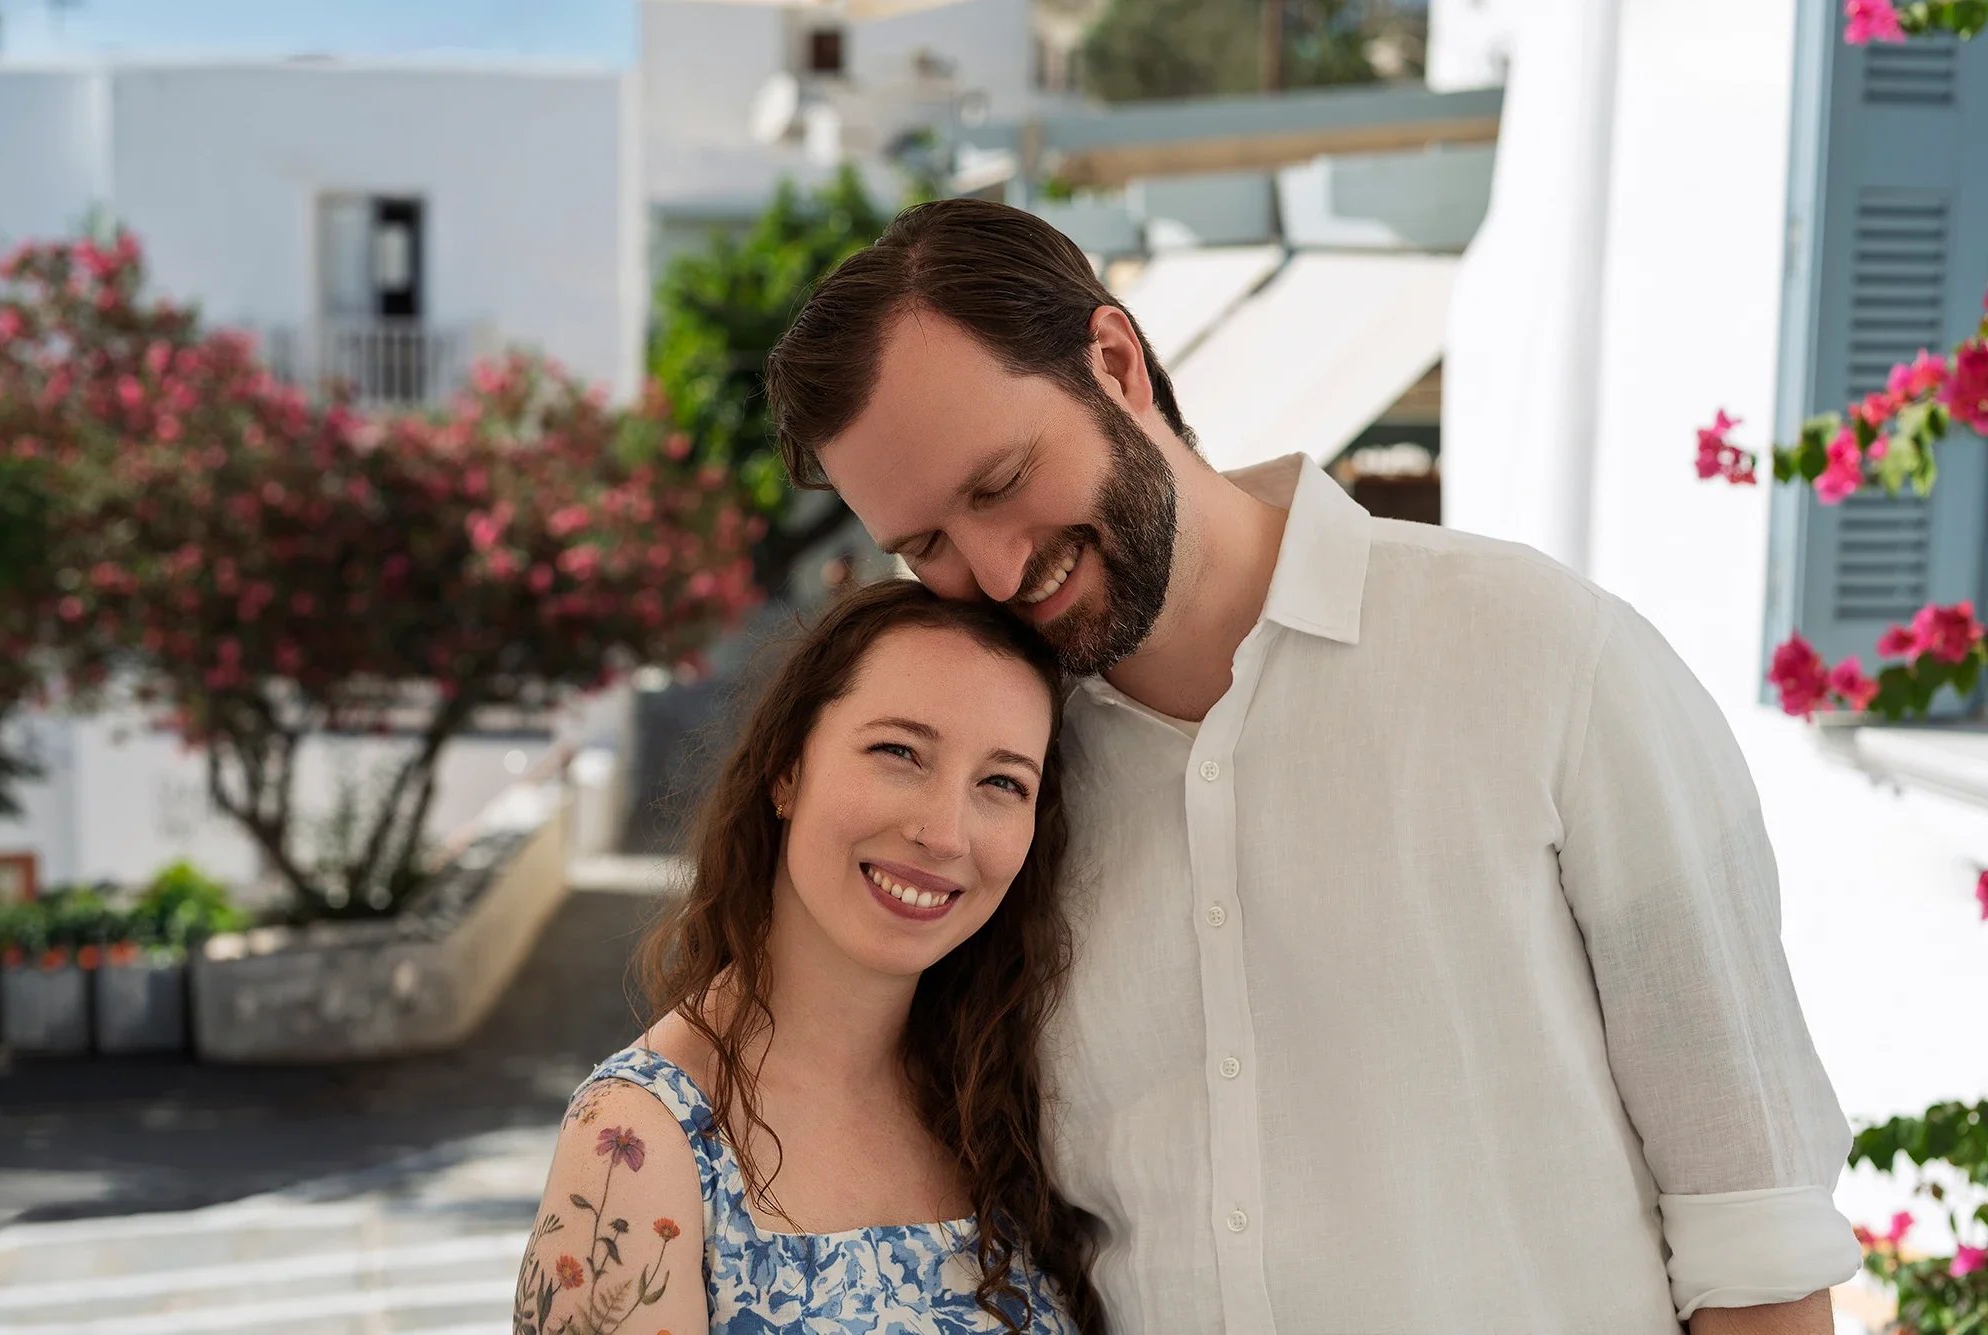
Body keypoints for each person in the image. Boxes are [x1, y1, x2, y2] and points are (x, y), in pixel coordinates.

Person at [761, 198, 1862, 1334]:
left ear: (1114, 362)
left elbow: (1753, 1235)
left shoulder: (1545, 657)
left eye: (997, 483)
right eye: (927, 544)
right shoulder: (996, 803)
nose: (993, 573)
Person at [517, 580, 1097, 1334]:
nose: (945, 833)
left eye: (1001, 782)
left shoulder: (1009, 1097)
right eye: (900, 751)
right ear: (787, 769)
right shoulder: (635, 1141)